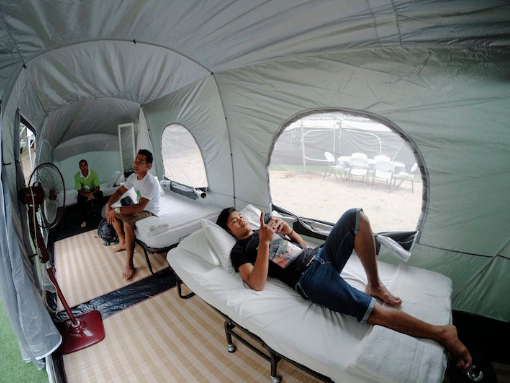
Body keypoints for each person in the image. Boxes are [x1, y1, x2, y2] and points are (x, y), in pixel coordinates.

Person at [216, 207, 472, 372]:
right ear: (228, 230)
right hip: (309, 278)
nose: (240, 220)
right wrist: (263, 243)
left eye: (240, 215)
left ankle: (374, 283)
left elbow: (301, 248)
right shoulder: (240, 251)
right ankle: (442, 333)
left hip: (317, 256)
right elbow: (256, 283)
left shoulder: (265, 230)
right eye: (233, 221)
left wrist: (290, 232)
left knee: (355, 216)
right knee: (372, 312)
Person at [105, 149, 160, 279]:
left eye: (140, 161)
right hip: (139, 209)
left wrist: (117, 209)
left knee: (128, 224)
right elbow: (119, 193)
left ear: (148, 166)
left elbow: (141, 207)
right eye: (136, 159)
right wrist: (109, 205)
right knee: (111, 213)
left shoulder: (150, 182)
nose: (135, 163)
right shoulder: (133, 177)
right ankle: (123, 241)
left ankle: (129, 263)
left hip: (150, 211)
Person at [75, 159, 103, 228]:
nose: (83, 167)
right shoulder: (77, 176)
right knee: (80, 200)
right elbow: (79, 191)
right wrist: (87, 195)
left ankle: (103, 215)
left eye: (85, 165)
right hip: (84, 193)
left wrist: (92, 194)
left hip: (93, 191)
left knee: (100, 194)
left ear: (87, 166)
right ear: (79, 167)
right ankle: (84, 220)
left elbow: (97, 187)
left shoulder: (93, 173)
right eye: (81, 166)